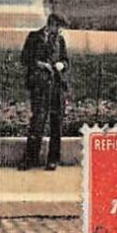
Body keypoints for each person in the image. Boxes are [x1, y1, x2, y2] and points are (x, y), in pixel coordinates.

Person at [19, 12, 70, 171]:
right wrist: (41, 64)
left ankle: (53, 160)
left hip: (56, 86)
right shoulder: (34, 37)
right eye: (58, 27)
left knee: (56, 123)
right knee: (38, 122)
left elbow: (66, 61)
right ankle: (30, 159)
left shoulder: (60, 40)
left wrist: (62, 65)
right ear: (51, 24)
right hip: (40, 86)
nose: (60, 31)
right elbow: (24, 59)